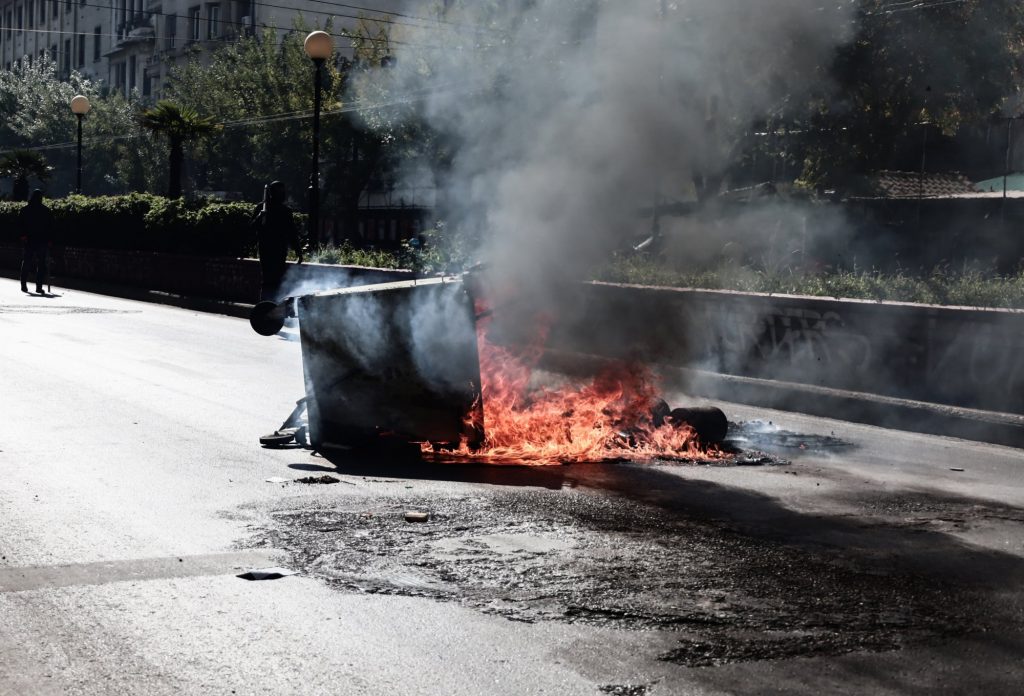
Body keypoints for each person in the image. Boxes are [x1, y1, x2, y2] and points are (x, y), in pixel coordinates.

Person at [252, 181, 304, 302]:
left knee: (278, 279)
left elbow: (292, 233)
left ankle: (275, 305)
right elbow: (251, 228)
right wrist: (260, 217)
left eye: (283, 191)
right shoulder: (262, 208)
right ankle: (265, 305)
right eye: (279, 191)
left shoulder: (286, 211)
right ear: (271, 193)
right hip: (266, 249)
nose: (282, 194)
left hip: (280, 250)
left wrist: (298, 251)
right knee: (268, 280)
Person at [19, 189, 54, 294]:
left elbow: (20, 224)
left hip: (29, 240)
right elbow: (50, 227)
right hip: (41, 240)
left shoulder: (25, 210)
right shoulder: (46, 211)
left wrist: (23, 236)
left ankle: (24, 284)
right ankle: (38, 286)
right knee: (41, 264)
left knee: (27, 262)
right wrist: (50, 240)